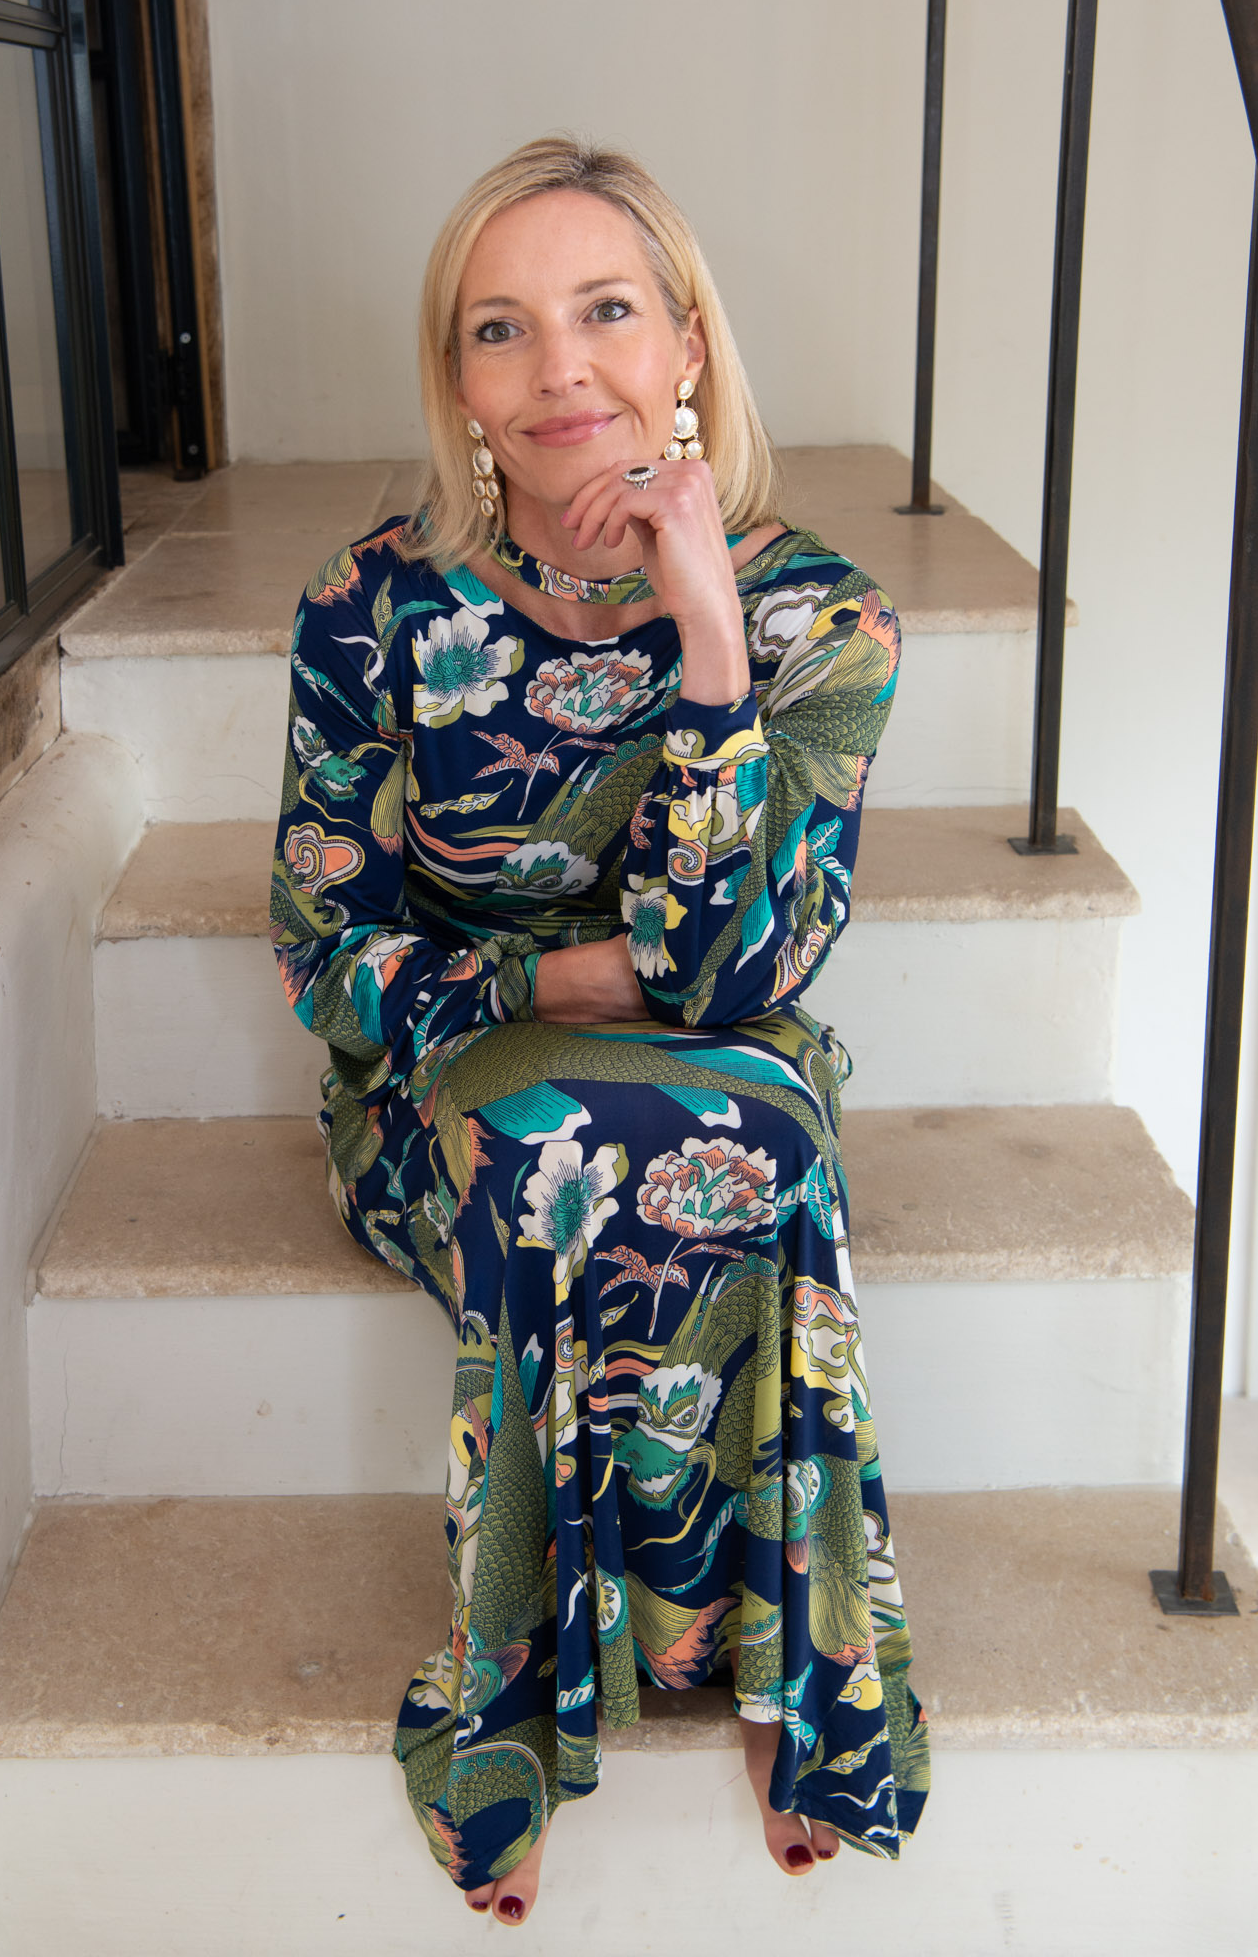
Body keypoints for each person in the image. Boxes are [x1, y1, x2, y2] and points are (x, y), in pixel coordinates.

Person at [270, 134, 929, 1926]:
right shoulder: (371, 605)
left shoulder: (823, 620)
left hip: (717, 1053)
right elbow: (327, 951)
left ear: (688, 342)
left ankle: (775, 1667)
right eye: (502, 328)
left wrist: (708, 643)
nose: (560, 367)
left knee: (750, 1126)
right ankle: (524, 1700)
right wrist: (533, 985)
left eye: (608, 311)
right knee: (560, 1138)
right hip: (446, 1078)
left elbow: (730, 973)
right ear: (460, 381)